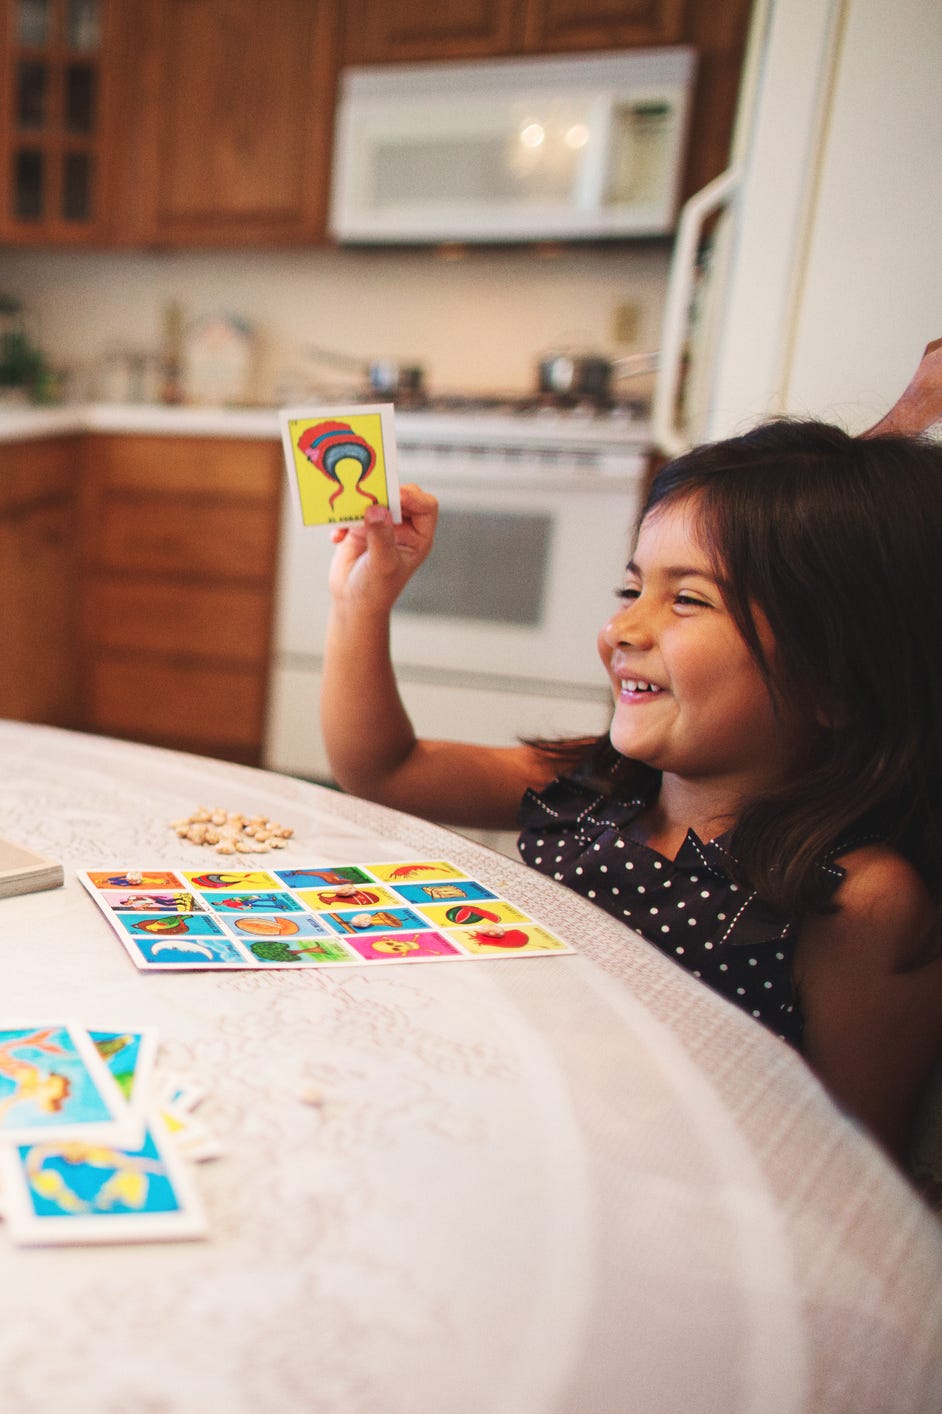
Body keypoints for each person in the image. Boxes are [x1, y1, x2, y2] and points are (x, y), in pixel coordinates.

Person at [320, 348, 942, 1163]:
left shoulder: (858, 900)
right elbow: (385, 770)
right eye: (630, 590)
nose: (623, 630)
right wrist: (361, 602)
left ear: (837, 680)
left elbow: (856, 1173)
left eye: (686, 599)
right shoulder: (590, 791)